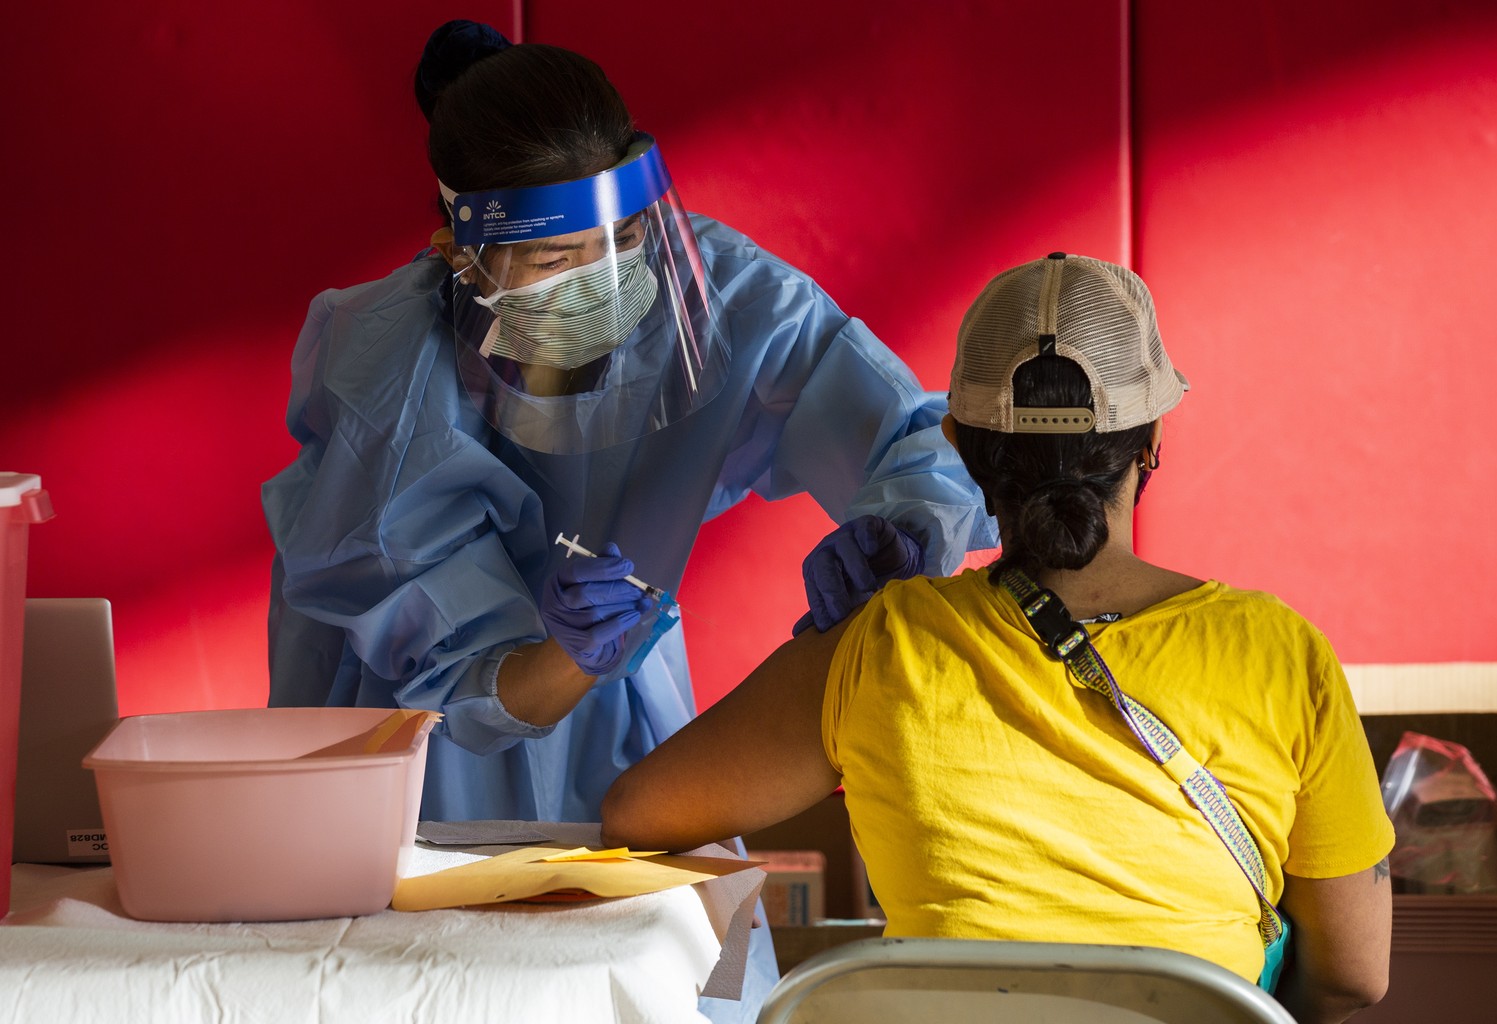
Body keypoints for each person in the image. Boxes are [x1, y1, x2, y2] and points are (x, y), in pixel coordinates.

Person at [262, 20, 996, 1022]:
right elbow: (461, 685)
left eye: (623, 239)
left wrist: (904, 529)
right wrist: (565, 655)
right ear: (459, 252)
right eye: (557, 257)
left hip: (632, 737)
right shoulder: (386, 373)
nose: (605, 277)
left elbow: (911, 436)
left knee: (681, 985)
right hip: (421, 762)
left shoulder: (717, 294)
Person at [603, 253, 1395, 1024]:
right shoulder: (1281, 656)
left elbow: (637, 813)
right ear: (1151, 441)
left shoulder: (882, 646)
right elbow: (1355, 975)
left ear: (959, 443)